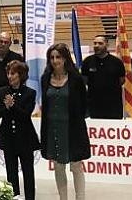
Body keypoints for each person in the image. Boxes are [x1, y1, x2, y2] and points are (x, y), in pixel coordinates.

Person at [40, 43, 90, 200]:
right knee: (58, 166)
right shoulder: (45, 78)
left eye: (58, 57)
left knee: (76, 165)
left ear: (65, 59)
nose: (55, 61)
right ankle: (63, 198)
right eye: (52, 57)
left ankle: (80, 197)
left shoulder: (76, 79)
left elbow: (84, 104)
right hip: (52, 128)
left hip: (73, 128)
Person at [0, 61, 39, 200]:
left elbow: (25, 115)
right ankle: (14, 197)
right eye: (8, 73)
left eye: (12, 73)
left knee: (28, 172)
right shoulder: (2, 91)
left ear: (21, 75)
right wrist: (6, 108)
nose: (9, 76)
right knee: (11, 173)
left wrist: (12, 106)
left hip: (25, 138)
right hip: (8, 138)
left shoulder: (30, 93)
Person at [81, 35, 126, 119]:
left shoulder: (116, 62)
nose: (97, 46)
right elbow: (84, 80)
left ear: (107, 45)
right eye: (95, 43)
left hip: (113, 105)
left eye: (100, 43)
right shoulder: (87, 61)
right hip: (94, 104)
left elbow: (122, 80)